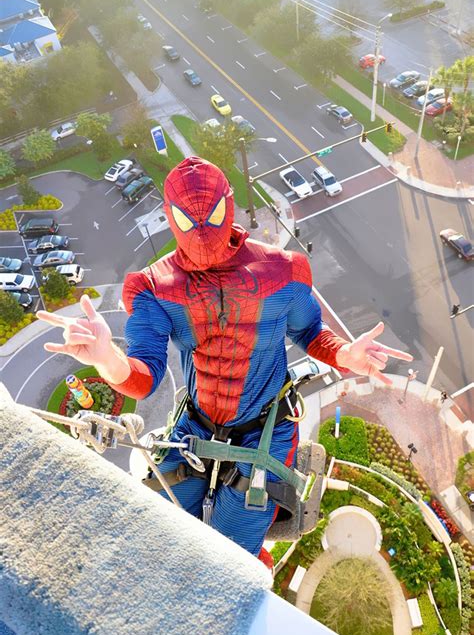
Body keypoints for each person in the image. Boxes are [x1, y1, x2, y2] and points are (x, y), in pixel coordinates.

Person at [37, 157, 413, 564]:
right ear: (170, 216)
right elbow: (144, 376)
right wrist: (107, 359)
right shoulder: (156, 288)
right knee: (163, 535)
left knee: (230, 557)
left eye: (212, 214)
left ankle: (252, 567)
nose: (201, 232)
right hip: (196, 422)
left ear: (228, 206)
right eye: (187, 219)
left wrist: (345, 354)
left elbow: (309, 333)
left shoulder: (280, 272)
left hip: (264, 429)